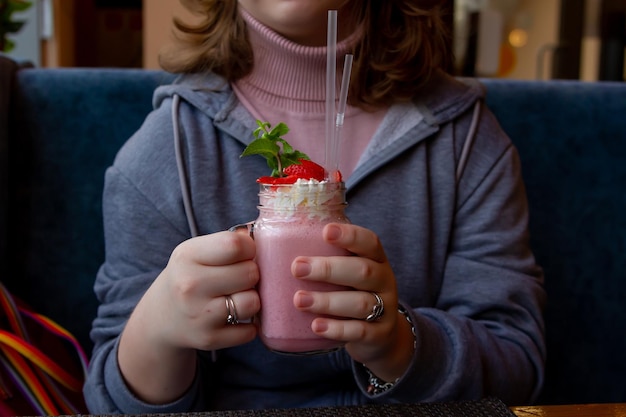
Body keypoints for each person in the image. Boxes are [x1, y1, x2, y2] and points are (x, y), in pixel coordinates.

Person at [83, 0, 546, 413]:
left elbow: (519, 368)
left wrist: (399, 343)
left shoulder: (465, 141)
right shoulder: (167, 152)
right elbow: (107, 399)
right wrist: (157, 332)